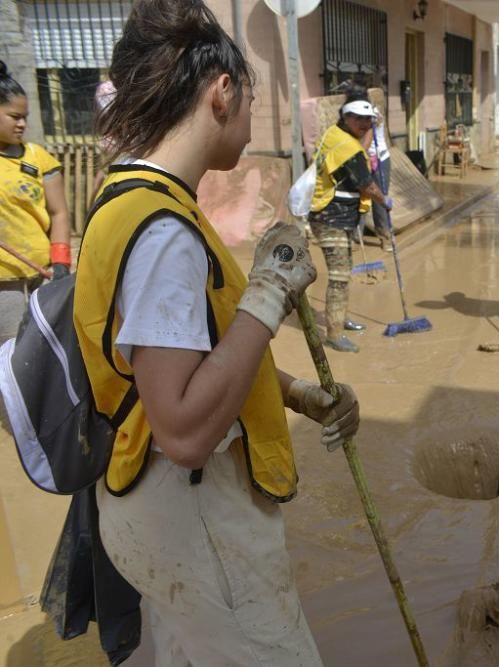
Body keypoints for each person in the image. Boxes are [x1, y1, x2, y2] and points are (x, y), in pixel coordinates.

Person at [78, 1, 360, 663]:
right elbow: (182, 431)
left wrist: (291, 392)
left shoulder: (135, 199)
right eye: (252, 96)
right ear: (222, 90)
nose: (254, 115)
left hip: (152, 508)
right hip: (192, 509)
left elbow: (182, 358)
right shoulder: (164, 233)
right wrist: (267, 299)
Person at [309, 98, 392, 353]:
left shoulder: (336, 134)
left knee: (344, 272)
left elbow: (360, 147)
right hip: (330, 218)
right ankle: (334, 334)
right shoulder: (346, 147)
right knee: (339, 276)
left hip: (339, 217)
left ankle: (340, 319)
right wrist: (384, 200)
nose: (365, 124)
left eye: (368, 120)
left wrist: (373, 130)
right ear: (346, 118)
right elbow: (366, 185)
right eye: (359, 120)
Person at [0, 60, 71, 341]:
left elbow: (59, 213)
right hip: (4, 282)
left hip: (43, 272)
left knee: (43, 345)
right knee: (9, 350)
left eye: (25, 117)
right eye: (14, 116)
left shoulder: (38, 158)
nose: (22, 124)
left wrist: (61, 263)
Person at [366, 103, 393, 248]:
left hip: (379, 158)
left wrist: (374, 121)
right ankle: (354, 235)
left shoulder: (373, 112)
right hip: (364, 158)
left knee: (379, 196)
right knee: (360, 196)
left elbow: (378, 120)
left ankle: (384, 235)